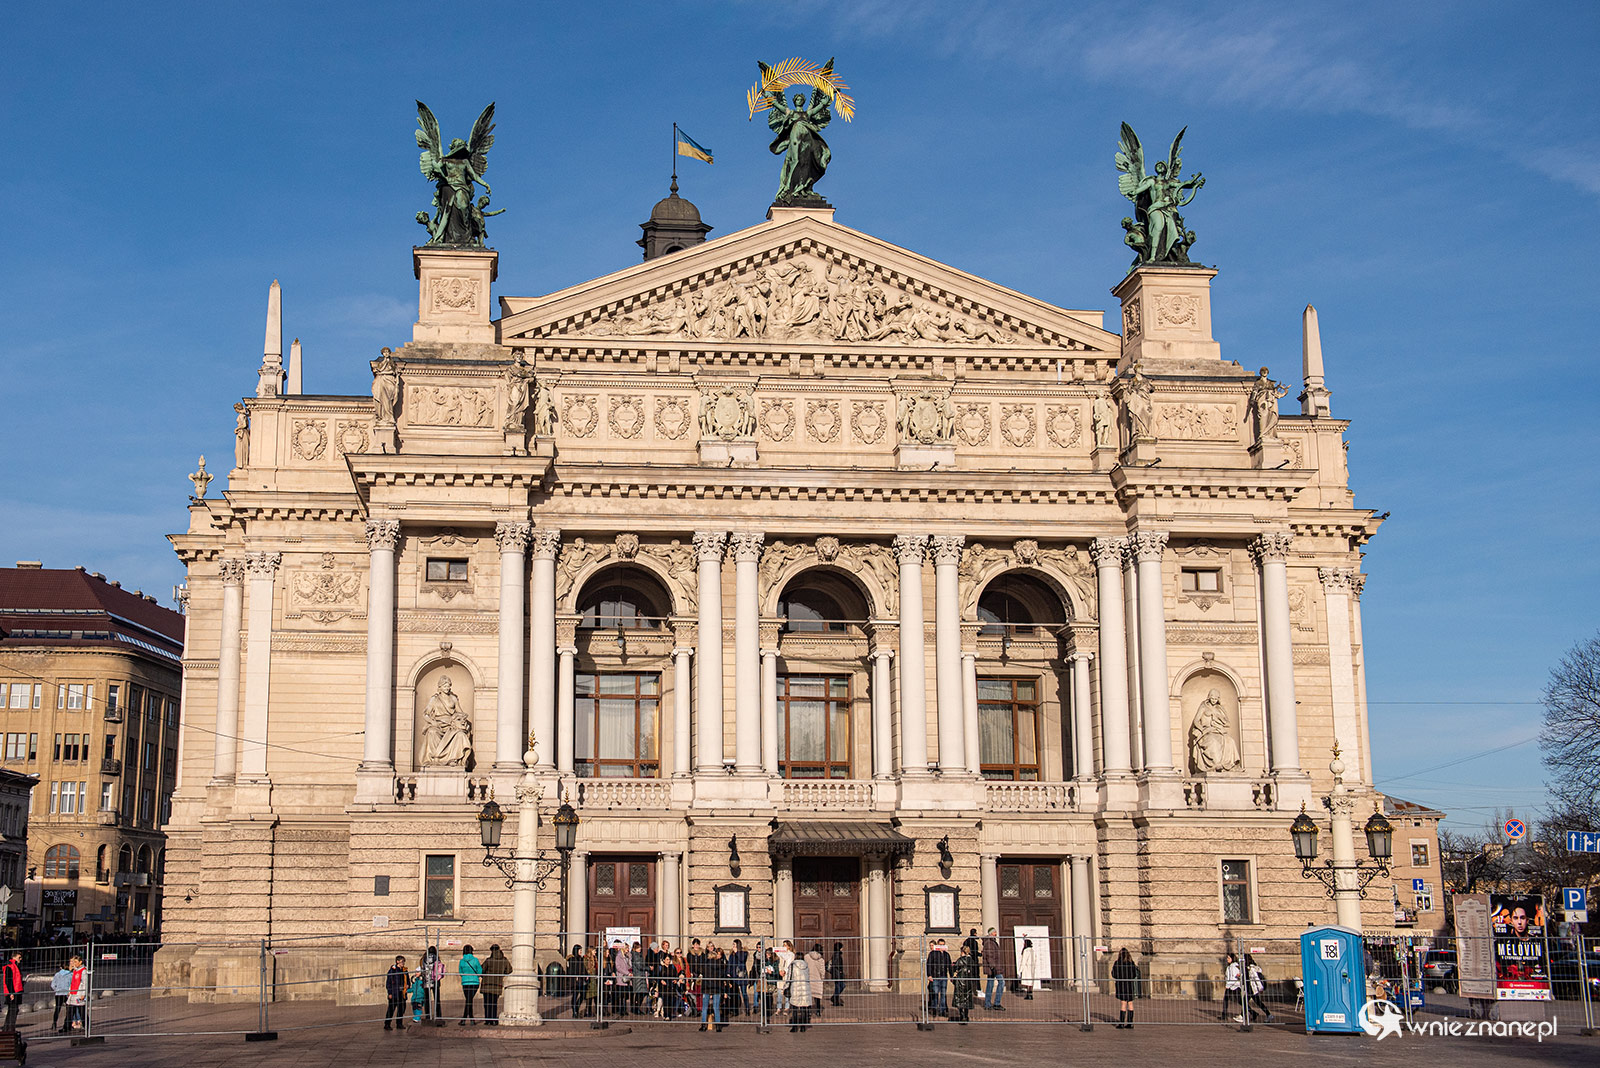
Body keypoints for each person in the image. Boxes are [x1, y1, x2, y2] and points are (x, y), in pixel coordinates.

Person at [480, 944, 511, 1026]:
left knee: (487, 1003)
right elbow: (509, 970)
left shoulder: (488, 960)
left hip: (487, 984)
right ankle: (494, 1020)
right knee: (494, 1003)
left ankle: (487, 1020)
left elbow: (482, 970)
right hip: (497, 984)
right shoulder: (504, 960)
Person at [786, 944, 813, 1031]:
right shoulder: (806, 966)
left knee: (794, 1008)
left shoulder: (793, 965)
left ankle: (794, 1027)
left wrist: (786, 987)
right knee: (804, 1008)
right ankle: (803, 1027)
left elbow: (789, 977)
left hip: (795, 988)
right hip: (805, 988)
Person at [699, 945, 727, 1031]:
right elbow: (722, 975)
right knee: (716, 1007)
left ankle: (704, 1025)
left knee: (705, 1007)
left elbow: (702, 973)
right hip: (717, 987)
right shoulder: (720, 965)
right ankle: (718, 1026)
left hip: (706, 987)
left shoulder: (705, 965)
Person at [951, 941, 979, 1024]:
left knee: (960, 999)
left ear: (962, 952)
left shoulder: (960, 960)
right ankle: (966, 1016)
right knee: (967, 999)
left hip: (960, 982)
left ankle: (962, 1015)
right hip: (969, 982)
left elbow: (954, 968)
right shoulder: (971, 960)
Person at [1112, 947, 1141, 1029]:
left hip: (1121, 985)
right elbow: (1134, 974)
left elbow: (1114, 974)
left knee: (1123, 1003)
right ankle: (1130, 1023)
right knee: (1130, 1003)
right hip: (1129, 984)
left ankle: (1121, 1023)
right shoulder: (1131, 963)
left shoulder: (1117, 963)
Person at [1245, 954, 1274, 1022]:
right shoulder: (1250, 968)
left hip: (1252, 989)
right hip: (1251, 988)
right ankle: (1267, 1014)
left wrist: (1260, 988)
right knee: (1256, 1002)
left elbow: (1256, 979)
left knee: (1244, 1002)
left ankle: (1249, 1014)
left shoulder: (1251, 969)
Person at [927, 938, 952, 1016]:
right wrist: (929, 975)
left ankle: (942, 1010)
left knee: (943, 994)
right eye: (940, 945)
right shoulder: (933, 954)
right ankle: (934, 1009)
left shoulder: (946, 954)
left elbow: (949, 966)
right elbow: (929, 965)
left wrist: (951, 976)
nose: (941, 946)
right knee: (935, 993)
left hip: (943, 976)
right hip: (935, 976)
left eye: (943, 945)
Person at [981, 928, 1005, 1011]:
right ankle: (995, 1003)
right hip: (994, 967)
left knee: (990, 985)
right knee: (1001, 982)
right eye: (995, 932)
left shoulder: (992, 941)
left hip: (994, 967)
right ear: (991, 933)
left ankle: (988, 1003)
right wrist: (993, 966)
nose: (996, 933)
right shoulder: (989, 943)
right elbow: (989, 956)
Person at [457, 944, 481, 1024]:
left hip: (465, 982)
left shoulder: (461, 961)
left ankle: (465, 1019)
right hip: (474, 982)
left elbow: (461, 972)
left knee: (468, 1000)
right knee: (469, 1000)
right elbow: (479, 971)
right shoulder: (475, 960)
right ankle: (470, 1019)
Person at [384, 955, 409, 1031]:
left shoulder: (404, 970)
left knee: (401, 1009)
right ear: (397, 961)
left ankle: (399, 1023)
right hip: (394, 993)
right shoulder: (393, 970)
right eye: (402, 962)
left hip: (402, 992)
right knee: (391, 1009)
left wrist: (408, 984)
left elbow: (407, 979)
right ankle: (387, 1024)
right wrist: (390, 993)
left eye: (404, 962)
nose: (403, 963)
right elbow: (389, 983)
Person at [65, 955, 87, 1032]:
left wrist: (83, 994)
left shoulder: (83, 971)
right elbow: (72, 982)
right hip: (73, 993)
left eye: (76, 962)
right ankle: (67, 1026)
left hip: (79, 993)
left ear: (80, 962)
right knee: (70, 1010)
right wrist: (69, 991)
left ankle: (86, 1025)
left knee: (82, 1011)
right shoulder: (75, 970)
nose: (74, 963)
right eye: (73, 962)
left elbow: (85, 983)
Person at [729, 939, 751, 1017]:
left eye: (734, 945)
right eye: (733, 945)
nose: (733, 946)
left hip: (742, 976)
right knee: (735, 994)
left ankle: (747, 1008)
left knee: (744, 993)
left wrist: (737, 952)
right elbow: (730, 964)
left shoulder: (743, 953)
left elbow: (742, 960)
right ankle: (736, 1010)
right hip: (734, 975)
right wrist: (728, 973)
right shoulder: (732, 954)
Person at [1, 950, 22, 1030]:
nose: (20, 959)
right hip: (13, 992)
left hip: (16, 991)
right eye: (19, 957)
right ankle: (10, 1029)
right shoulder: (10, 966)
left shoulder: (16, 966)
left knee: (13, 1010)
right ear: (14, 957)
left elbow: (15, 979)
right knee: (13, 1010)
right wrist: (11, 993)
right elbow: (8, 980)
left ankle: (7, 1029)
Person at [805, 944, 827, 1018]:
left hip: (808, 978)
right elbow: (822, 971)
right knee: (817, 997)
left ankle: (808, 1011)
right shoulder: (821, 959)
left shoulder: (807, 957)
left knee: (808, 996)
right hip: (817, 979)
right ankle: (818, 1011)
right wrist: (822, 978)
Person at [776, 940, 796, 1015]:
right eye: (783, 945)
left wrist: (784, 970)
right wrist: (780, 970)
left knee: (786, 991)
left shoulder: (791, 955)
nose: (784, 947)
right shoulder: (781, 954)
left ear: (789, 946)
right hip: (781, 975)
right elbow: (780, 963)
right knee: (779, 991)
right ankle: (779, 1007)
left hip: (787, 975)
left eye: (786, 945)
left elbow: (789, 964)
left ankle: (787, 1007)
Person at [1221, 952, 1242, 1022]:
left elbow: (1234, 977)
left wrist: (1229, 985)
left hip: (1234, 986)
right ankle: (1224, 1015)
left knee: (1240, 1001)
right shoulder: (1229, 967)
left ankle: (1252, 1012)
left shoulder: (1234, 967)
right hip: (1230, 986)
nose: (1227, 959)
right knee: (1225, 1000)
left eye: (1229, 958)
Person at [51, 962, 72, 1032]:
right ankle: (67, 1023)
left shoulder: (57, 974)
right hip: (67, 994)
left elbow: (53, 985)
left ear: (61, 967)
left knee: (57, 1009)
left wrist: (57, 989)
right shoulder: (71, 974)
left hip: (59, 993)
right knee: (69, 1010)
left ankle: (54, 1023)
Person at [829, 941, 846, 1007]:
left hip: (837, 973)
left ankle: (835, 999)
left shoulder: (837, 954)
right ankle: (834, 998)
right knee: (841, 986)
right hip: (837, 973)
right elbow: (836, 964)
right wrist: (840, 971)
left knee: (838, 986)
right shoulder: (837, 955)